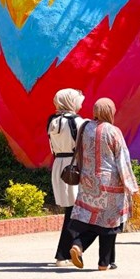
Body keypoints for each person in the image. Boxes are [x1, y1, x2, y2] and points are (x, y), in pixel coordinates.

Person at [68, 98, 137, 271]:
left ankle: (79, 245)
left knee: (93, 220)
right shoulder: (113, 131)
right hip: (110, 183)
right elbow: (122, 158)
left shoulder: (85, 128)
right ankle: (103, 263)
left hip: (88, 180)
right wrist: (130, 184)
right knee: (109, 223)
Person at [47, 88, 86, 266]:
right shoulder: (78, 122)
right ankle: (63, 254)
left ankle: (66, 253)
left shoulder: (52, 121)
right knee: (74, 212)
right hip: (74, 166)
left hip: (59, 166)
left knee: (71, 210)